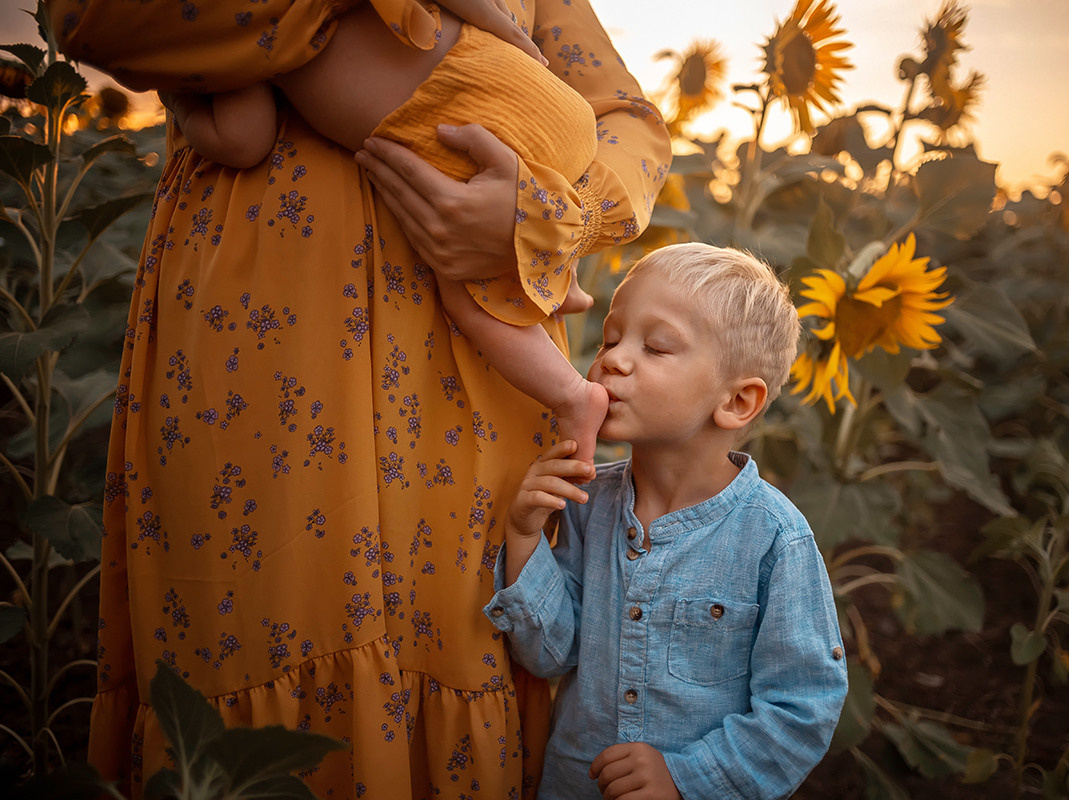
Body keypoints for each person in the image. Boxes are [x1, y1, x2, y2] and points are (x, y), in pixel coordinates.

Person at [48, 0, 672, 796]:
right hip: (261, 368)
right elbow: (92, 17)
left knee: (461, 635)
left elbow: (631, 123)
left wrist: (551, 213)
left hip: (468, 389)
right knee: (245, 679)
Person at [162, 2, 610, 462]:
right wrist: (501, 25)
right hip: (530, 90)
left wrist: (179, 93)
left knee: (462, 277)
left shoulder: (243, 30)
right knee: (507, 216)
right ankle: (558, 275)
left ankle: (572, 394)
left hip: (471, 123)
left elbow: (242, 139)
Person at [484, 243, 849, 799]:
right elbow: (553, 654)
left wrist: (688, 778)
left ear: (736, 402)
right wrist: (524, 537)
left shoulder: (774, 537)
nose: (612, 359)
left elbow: (803, 707)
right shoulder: (589, 502)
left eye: (655, 347)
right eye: (610, 337)